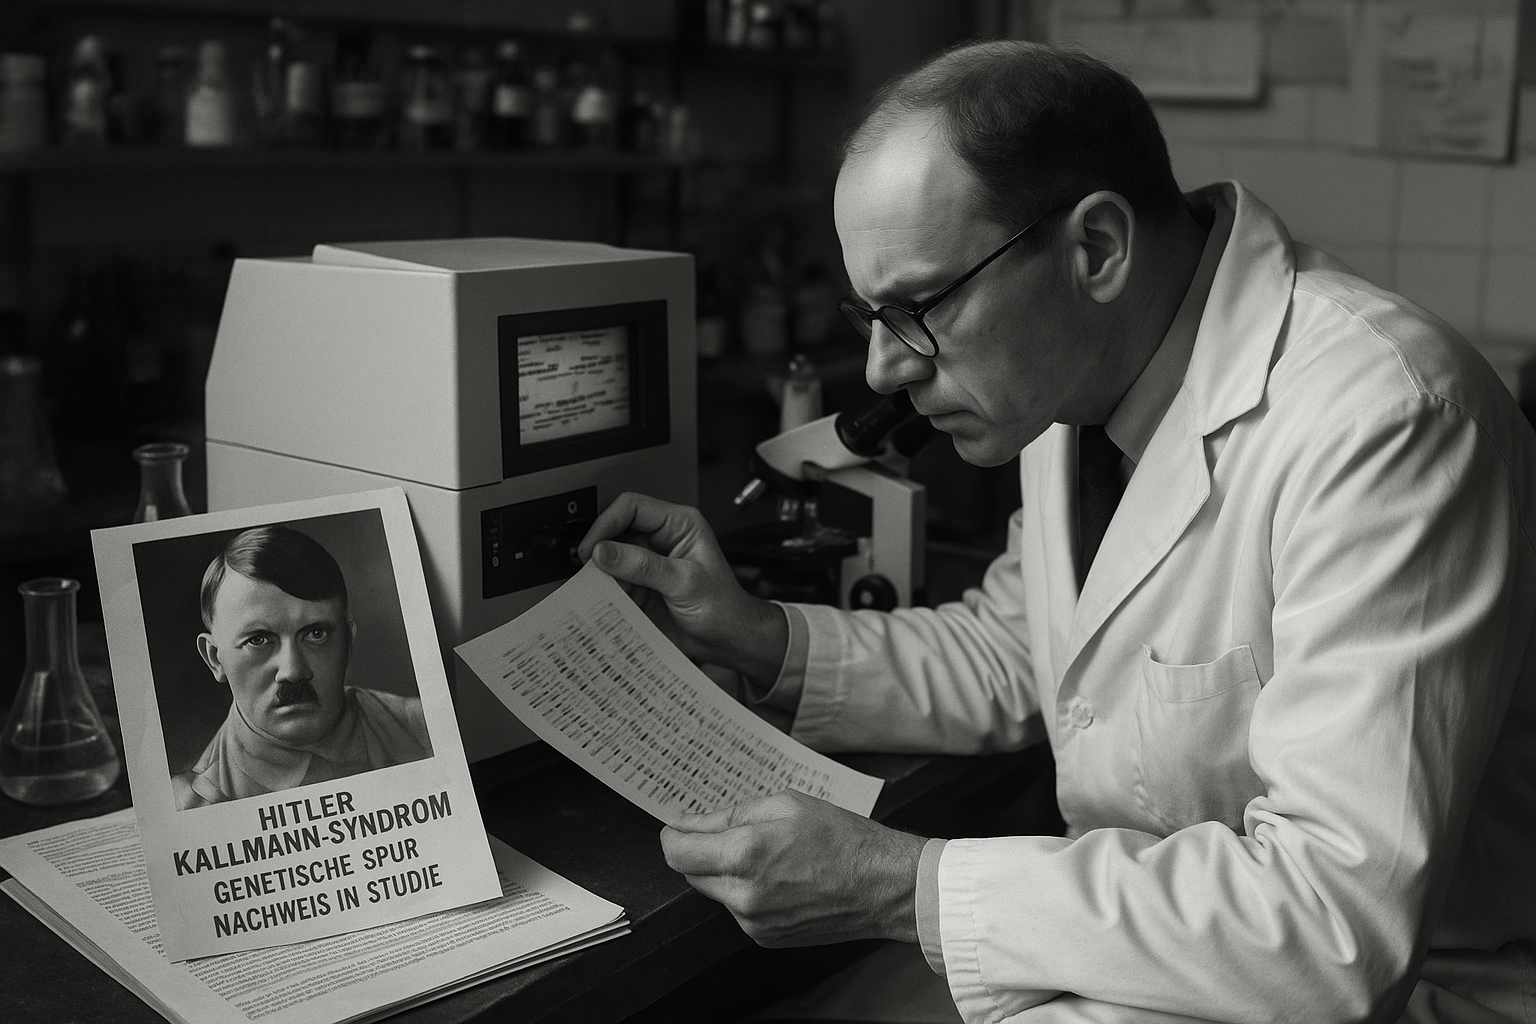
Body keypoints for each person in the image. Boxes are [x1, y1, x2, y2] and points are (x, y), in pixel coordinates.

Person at [578, 40, 1536, 1024]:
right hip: (1150, 945)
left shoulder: (1384, 420)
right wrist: (760, 638)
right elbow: (1029, 650)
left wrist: (900, 885)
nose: (880, 371)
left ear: (1097, 250)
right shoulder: (1078, 383)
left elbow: (1337, 926)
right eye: (870, 315)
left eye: (918, 308)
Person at [173, 525, 431, 809]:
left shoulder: (425, 729)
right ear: (214, 658)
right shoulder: (196, 806)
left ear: (348, 639)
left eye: (316, 634)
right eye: (258, 640)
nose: (293, 671)